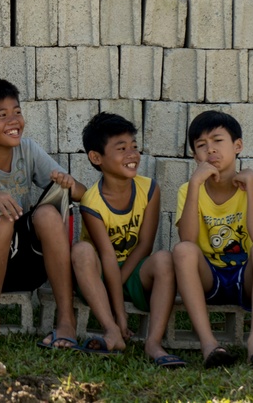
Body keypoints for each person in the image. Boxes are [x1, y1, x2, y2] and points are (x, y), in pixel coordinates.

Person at [0, 77, 86, 349]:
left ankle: (66, 321)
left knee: (48, 214)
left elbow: (82, 193)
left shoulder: (28, 149)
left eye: (17, 112)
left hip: (32, 267)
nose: (14, 120)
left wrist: (69, 185)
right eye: (2, 115)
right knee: (3, 218)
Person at [71, 112, 184, 365]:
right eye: (121, 148)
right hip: (98, 275)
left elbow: (145, 244)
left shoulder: (149, 189)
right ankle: (112, 330)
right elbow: (108, 255)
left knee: (165, 258)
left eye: (134, 147)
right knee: (81, 251)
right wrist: (120, 315)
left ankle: (153, 343)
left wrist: (119, 287)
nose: (132, 155)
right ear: (96, 158)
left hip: (131, 272)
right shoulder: (92, 201)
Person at [172, 110, 253, 368]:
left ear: (237, 146)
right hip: (209, 277)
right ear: (194, 155)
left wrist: (252, 186)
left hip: (247, 277)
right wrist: (195, 187)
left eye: (217, 141)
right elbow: (187, 239)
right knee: (183, 250)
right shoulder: (188, 190)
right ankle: (209, 343)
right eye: (201, 145)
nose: (210, 150)